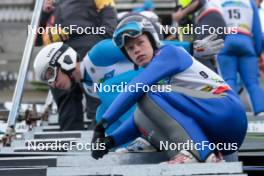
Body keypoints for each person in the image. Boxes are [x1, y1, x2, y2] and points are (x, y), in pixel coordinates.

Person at [89, 16, 247, 164]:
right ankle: (188, 152)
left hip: (227, 111)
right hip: (219, 130)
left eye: (140, 43)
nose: (136, 50)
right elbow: (138, 121)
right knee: (144, 111)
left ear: (152, 41)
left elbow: (136, 88)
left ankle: (195, 153)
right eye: (130, 48)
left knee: (146, 94)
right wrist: (109, 142)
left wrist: (102, 124)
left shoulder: (169, 53)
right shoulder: (155, 76)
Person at [35, 0, 117, 130]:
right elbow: (35, 39)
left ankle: (101, 138)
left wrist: (96, 42)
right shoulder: (50, 5)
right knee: (67, 107)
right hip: (56, 58)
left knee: (98, 102)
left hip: (88, 49)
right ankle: (71, 145)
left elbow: (110, 25)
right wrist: (44, 14)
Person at [218, 0, 264, 115]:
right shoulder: (250, 3)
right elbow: (257, 31)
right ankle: (261, 112)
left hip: (226, 41)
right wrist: (257, 52)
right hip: (246, 42)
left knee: (229, 80)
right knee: (252, 82)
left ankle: (235, 113)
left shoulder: (217, 2)